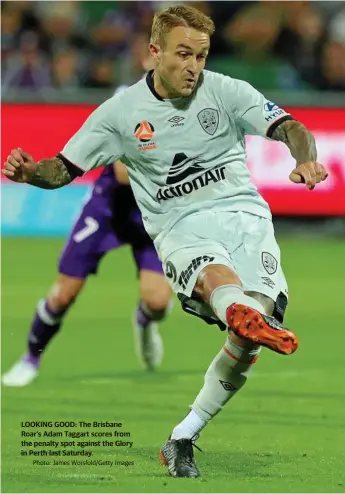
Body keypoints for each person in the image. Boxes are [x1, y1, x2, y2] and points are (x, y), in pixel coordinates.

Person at [3, 5, 328, 478]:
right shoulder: (120, 113)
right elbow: (63, 168)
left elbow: (290, 128)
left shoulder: (226, 91)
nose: (194, 66)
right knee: (225, 291)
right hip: (180, 225)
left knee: (248, 338)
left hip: (245, 217)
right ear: (154, 53)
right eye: (183, 54)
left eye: (201, 55)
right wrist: (32, 173)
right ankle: (237, 309)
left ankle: (183, 435)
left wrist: (307, 160)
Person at [2, 160, 172, 387]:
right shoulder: (131, 125)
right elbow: (122, 173)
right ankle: (31, 358)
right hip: (107, 211)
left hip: (152, 214)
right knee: (63, 295)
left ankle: (144, 320)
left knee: (158, 302)